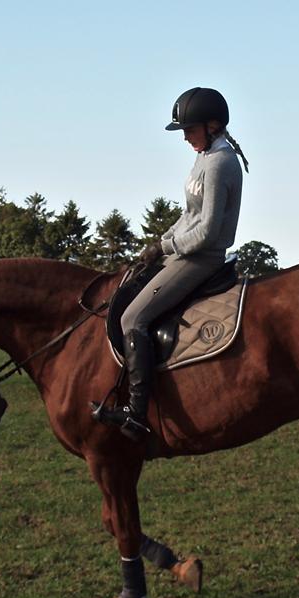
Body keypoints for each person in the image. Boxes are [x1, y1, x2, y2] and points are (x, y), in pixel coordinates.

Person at [94, 86, 249, 442]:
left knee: (134, 318)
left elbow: (208, 231)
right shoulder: (204, 156)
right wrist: (159, 244)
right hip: (182, 251)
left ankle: (136, 413)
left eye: (189, 130)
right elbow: (188, 214)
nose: (185, 138)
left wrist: (167, 245)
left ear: (213, 126)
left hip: (202, 257)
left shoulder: (221, 162)